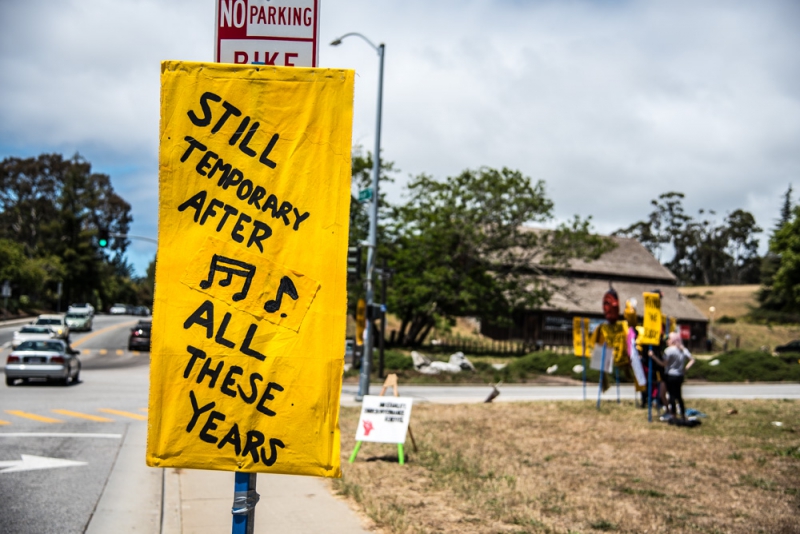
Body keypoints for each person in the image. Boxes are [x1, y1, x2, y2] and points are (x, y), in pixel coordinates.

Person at [653, 332, 695, 421]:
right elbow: (692, 360)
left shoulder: (669, 350)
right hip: (679, 375)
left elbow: (663, 364)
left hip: (670, 375)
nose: (667, 341)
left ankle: (673, 415)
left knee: (671, 396)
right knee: (679, 396)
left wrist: (653, 357)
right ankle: (683, 415)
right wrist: (685, 369)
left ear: (672, 340)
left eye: (668, 339)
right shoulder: (683, 349)